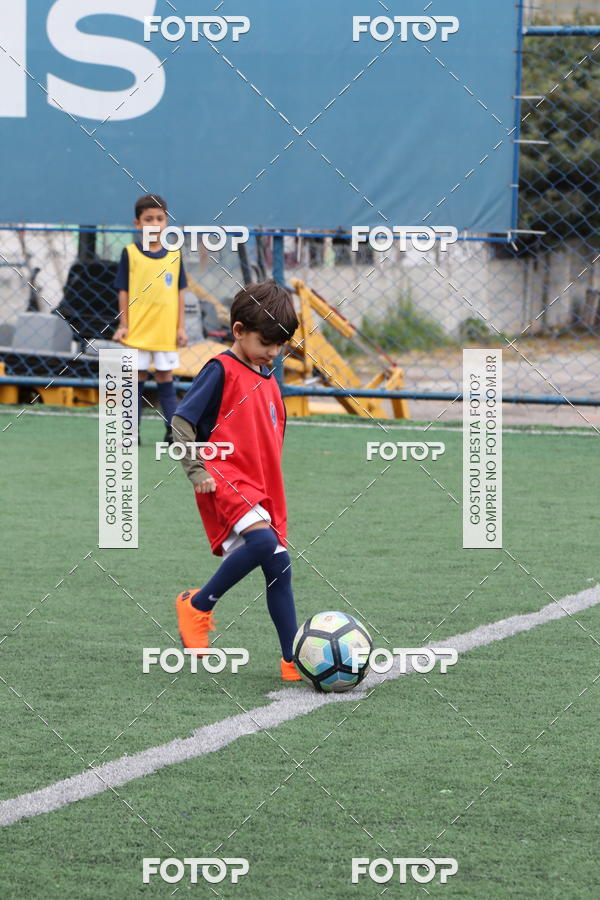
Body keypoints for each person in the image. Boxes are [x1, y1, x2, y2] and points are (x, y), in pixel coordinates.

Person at [171, 279, 302, 681]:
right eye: (267, 343)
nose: (274, 354)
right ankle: (198, 605)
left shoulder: (268, 378)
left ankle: (292, 658)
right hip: (223, 476)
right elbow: (180, 422)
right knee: (263, 542)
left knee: (280, 567)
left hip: (262, 487)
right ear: (239, 331)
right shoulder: (220, 369)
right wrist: (196, 471)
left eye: (280, 346)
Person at [113, 193, 188, 442]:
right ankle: (131, 431)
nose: (154, 224)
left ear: (166, 222)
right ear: (138, 224)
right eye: (148, 219)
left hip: (165, 332)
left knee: (166, 378)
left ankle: (173, 432)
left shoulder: (175, 255)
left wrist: (181, 328)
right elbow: (123, 291)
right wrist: (124, 325)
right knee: (136, 380)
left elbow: (180, 293)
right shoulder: (130, 254)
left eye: (159, 219)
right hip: (138, 332)